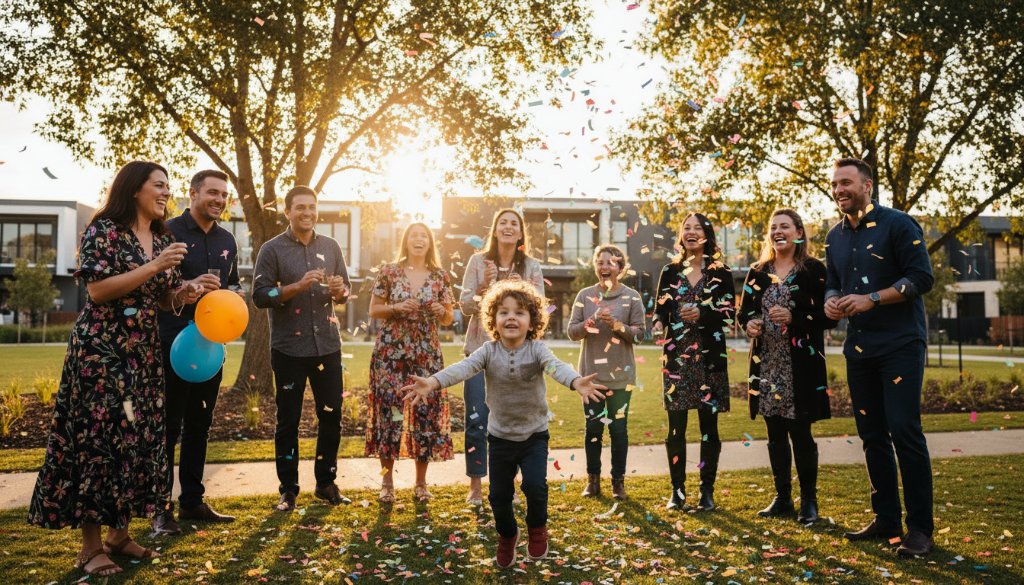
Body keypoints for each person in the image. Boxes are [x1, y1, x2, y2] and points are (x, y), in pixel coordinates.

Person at [28, 161, 204, 577]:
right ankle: (89, 548)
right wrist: (155, 267)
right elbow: (97, 290)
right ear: (134, 188)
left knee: (135, 439)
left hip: (142, 353)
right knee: (100, 441)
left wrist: (185, 293)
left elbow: (162, 298)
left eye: (168, 186)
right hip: (101, 352)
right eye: (159, 185)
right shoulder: (104, 230)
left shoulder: (161, 236)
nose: (166, 192)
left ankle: (119, 536)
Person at [402, 280, 606, 568]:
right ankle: (508, 535)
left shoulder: (537, 350)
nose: (511, 317)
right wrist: (433, 382)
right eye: (504, 312)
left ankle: (537, 528)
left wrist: (574, 381)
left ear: (532, 321)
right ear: (493, 320)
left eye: (519, 312)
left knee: (535, 487)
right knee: (499, 496)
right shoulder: (488, 351)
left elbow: (556, 367)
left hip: (534, 436)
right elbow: (463, 368)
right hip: (499, 439)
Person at [823, 158, 935, 556]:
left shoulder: (899, 224)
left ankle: (920, 529)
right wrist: (831, 301)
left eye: (847, 182)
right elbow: (832, 282)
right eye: (835, 184)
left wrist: (872, 298)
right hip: (859, 349)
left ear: (867, 185)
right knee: (872, 436)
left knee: (904, 430)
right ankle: (886, 519)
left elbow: (922, 278)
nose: (839, 190)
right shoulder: (833, 236)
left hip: (901, 345)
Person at [252, 185, 352, 512]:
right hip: (289, 351)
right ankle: (288, 489)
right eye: (300, 207)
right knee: (288, 422)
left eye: (312, 207)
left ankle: (325, 483)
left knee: (331, 417)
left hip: (327, 346)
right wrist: (298, 286)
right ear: (288, 212)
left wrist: (339, 291)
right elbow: (260, 296)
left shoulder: (331, 246)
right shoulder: (272, 249)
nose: (307, 212)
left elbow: (345, 292)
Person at [153, 170, 240, 534]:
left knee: (199, 426)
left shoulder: (227, 239)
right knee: (168, 428)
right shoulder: (166, 231)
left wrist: (231, 298)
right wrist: (187, 288)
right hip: (171, 344)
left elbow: (233, 285)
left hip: (210, 348)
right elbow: (153, 287)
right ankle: (160, 510)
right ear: (192, 193)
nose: (219, 200)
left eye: (224, 195)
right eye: (212, 193)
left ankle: (192, 502)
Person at [737, 209, 835, 523]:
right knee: (775, 434)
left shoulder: (813, 270)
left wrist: (795, 318)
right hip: (767, 365)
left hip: (800, 367)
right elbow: (744, 313)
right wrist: (750, 324)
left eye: (785, 226)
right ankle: (782, 498)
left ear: (798, 232)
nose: (778, 231)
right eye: (774, 227)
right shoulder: (757, 272)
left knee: (800, 433)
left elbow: (828, 316)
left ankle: (809, 501)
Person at [458, 208, 544, 505]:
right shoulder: (477, 262)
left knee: (513, 422)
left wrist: (524, 292)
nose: (508, 227)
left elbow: (539, 310)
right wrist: (484, 289)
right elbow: (465, 305)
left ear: (520, 233)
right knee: (476, 420)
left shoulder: (531, 266)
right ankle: (475, 485)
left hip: (518, 355)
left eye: (514, 224)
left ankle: (510, 484)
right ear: (495, 230)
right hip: (479, 349)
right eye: (503, 223)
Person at [366, 222, 455, 503]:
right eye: (414, 235)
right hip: (391, 354)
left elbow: (449, 318)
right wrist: (396, 308)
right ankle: (387, 483)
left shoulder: (440, 276)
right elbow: (374, 310)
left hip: (426, 354)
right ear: (406, 241)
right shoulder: (389, 272)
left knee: (425, 415)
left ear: (430, 242)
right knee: (389, 416)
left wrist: (441, 311)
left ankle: (421, 483)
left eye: (424, 236)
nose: (419, 240)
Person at [653, 212, 736, 512]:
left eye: (697, 228)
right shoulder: (670, 271)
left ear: (707, 234)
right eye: (686, 228)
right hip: (677, 360)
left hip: (710, 360)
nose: (690, 232)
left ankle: (706, 492)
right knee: (676, 428)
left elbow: (729, 313)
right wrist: (657, 323)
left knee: (708, 428)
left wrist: (703, 313)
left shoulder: (721, 272)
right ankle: (677, 492)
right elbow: (661, 309)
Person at [567, 244, 646, 500]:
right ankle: (593, 481)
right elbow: (572, 332)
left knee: (618, 431)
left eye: (610, 263)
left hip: (622, 379)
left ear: (620, 268)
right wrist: (590, 321)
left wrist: (618, 326)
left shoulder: (632, 296)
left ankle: (617, 483)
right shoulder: (585, 295)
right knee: (593, 430)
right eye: (600, 262)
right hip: (591, 379)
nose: (604, 267)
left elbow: (640, 335)